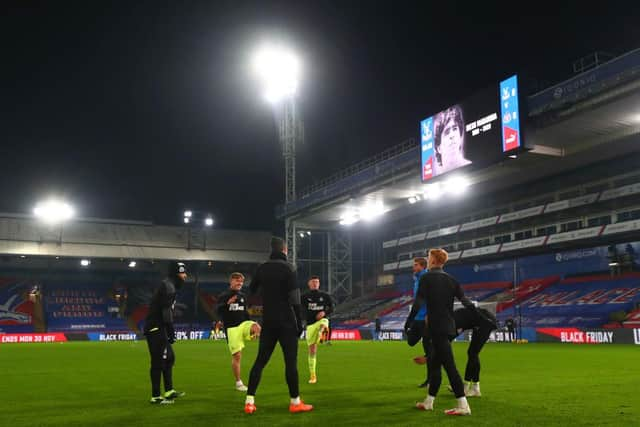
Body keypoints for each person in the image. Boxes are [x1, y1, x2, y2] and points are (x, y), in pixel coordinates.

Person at [244, 237, 313, 414]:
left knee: (260, 361)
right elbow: (295, 297)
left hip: (268, 320)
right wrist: (299, 321)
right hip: (286, 321)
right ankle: (295, 402)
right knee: (290, 363)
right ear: (285, 250)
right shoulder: (289, 267)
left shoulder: (262, 268)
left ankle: (249, 401)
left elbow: (251, 291)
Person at [405, 248, 477, 416]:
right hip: (447, 327)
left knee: (449, 366)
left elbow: (418, 304)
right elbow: (466, 301)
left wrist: (409, 322)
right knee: (435, 365)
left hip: (436, 327)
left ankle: (463, 405)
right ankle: (429, 402)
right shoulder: (452, 280)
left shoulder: (427, 278)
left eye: (429, 258)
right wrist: (478, 316)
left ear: (434, 260)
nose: (428, 260)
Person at [143, 261, 188, 404]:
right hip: (156, 328)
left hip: (158, 327)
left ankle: (168, 391)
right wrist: (171, 331)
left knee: (169, 358)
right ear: (176, 274)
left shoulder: (169, 285)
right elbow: (166, 311)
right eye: (182, 273)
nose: (185, 276)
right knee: (158, 362)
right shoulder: (169, 287)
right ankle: (156, 396)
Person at [216, 272, 262, 392]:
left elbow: (245, 312)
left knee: (257, 326)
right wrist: (227, 304)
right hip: (232, 328)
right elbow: (217, 310)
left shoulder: (243, 296)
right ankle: (238, 382)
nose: (239, 283)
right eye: (237, 281)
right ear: (231, 281)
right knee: (237, 356)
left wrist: (251, 324)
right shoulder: (224, 295)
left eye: (241, 282)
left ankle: (260, 340)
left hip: (243, 324)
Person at [453, 306, 497, 397]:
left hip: (486, 322)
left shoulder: (454, 320)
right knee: (472, 353)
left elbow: (450, 336)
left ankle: (470, 388)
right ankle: (471, 387)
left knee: (472, 353)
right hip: (481, 322)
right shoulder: (453, 317)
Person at [301, 276, 334, 384]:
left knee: (325, 322)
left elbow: (332, 307)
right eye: (313, 282)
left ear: (319, 284)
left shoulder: (325, 296)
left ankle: (322, 334)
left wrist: (324, 313)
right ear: (309, 284)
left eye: (317, 282)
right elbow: (298, 307)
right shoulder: (304, 297)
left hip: (320, 322)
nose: (315, 283)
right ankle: (313, 376)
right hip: (310, 325)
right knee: (312, 351)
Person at [406, 257, 431, 388]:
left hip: (426, 319)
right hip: (417, 318)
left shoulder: (426, 277)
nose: (413, 267)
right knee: (410, 341)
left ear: (422, 266)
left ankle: (430, 380)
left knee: (428, 348)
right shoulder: (416, 278)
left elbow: (431, 297)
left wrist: (429, 314)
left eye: (415, 265)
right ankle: (429, 356)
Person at [433, 105, 471, 176]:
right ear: (439, 148)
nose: (452, 135)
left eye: (455, 129)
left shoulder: (470, 165)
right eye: (447, 132)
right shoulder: (436, 175)